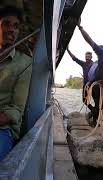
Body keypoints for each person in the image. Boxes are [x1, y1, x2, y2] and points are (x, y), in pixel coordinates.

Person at [0, 6, 33, 161]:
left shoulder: (24, 63)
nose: (11, 30)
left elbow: (16, 110)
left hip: (3, 129)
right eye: (6, 24)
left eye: (15, 26)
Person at [67, 48, 102, 127]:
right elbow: (74, 59)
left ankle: (94, 121)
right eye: (86, 56)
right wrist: (68, 51)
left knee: (97, 104)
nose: (87, 58)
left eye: (89, 56)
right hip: (86, 85)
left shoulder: (94, 65)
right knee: (84, 100)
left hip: (94, 86)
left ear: (91, 57)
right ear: (85, 57)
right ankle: (93, 112)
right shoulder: (84, 63)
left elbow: (99, 74)